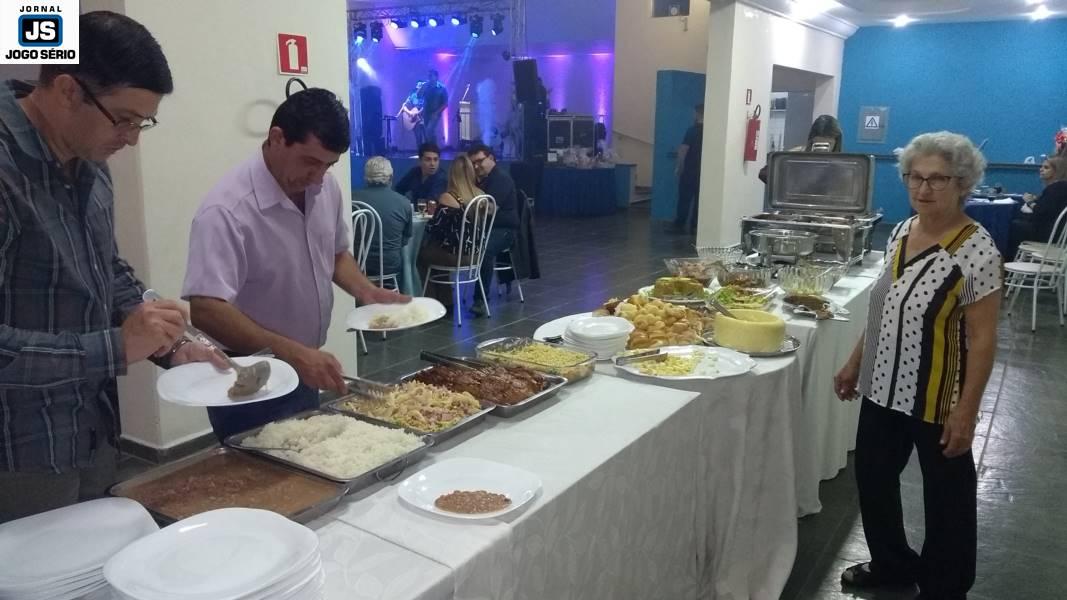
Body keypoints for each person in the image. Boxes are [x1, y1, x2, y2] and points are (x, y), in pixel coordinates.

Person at [0, 11, 222, 523]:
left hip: (93, 430)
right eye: (123, 119)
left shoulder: (91, 165)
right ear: (67, 90)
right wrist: (116, 347)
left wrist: (170, 341)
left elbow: (108, 270)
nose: (132, 138)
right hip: (18, 452)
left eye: (143, 122)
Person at [182, 88, 408, 442]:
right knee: (259, 466)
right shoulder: (227, 210)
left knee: (306, 457)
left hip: (304, 360)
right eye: (310, 162)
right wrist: (289, 351)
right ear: (277, 138)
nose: (318, 177)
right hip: (249, 372)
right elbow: (207, 309)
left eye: (328, 165)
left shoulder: (325, 189)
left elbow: (335, 254)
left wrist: (364, 290)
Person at [834, 132, 1001, 600]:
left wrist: (967, 411)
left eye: (938, 179)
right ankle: (892, 564)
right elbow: (884, 309)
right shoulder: (902, 231)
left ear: (962, 184)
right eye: (915, 177)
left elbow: (983, 338)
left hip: (938, 395)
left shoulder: (977, 249)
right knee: (873, 480)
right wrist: (854, 362)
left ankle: (946, 587)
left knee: (947, 498)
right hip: (881, 386)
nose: (923, 188)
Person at [418, 155, 485, 309]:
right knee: (439, 252)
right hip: (477, 255)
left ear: (452, 174)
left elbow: (435, 229)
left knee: (422, 256)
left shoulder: (448, 197)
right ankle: (445, 300)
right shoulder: (481, 195)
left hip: (457, 256)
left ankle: (432, 303)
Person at [468, 144, 519, 316]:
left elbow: (489, 210)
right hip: (485, 229)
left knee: (484, 250)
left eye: (479, 161)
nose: (476, 166)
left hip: (504, 230)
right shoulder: (481, 179)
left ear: (491, 158)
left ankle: (480, 299)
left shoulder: (501, 178)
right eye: (473, 163)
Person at [354, 156, 412, 279]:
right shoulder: (404, 203)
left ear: (366, 177)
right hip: (389, 266)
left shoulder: (351, 199)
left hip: (355, 264)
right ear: (391, 177)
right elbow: (404, 240)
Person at [758, 114, 843, 183]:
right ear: (811, 141)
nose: (822, 149)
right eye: (818, 143)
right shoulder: (796, 155)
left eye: (828, 144)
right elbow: (764, 174)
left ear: (836, 143)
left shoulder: (843, 164)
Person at [1011, 156, 1067, 251]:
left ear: (1057, 171)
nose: (1041, 169)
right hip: (1058, 232)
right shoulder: (1061, 187)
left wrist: (1029, 201)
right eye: (1041, 167)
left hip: (1049, 233)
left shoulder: (1055, 188)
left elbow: (1040, 212)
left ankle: (1008, 256)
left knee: (1013, 224)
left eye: (1046, 168)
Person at [673, 103, 704, 234]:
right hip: (703, 172)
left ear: (697, 114)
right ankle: (695, 226)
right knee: (699, 200)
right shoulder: (710, 131)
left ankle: (680, 224)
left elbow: (683, 150)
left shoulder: (692, 131)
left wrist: (679, 167)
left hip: (689, 170)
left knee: (684, 199)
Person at [417, 69, 448, 146]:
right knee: (429, 133)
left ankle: (433, 149)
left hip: (435, 113)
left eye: (431, 75)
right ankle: (432, 148)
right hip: (426, 113)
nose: (429, 77)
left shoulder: (442, 88)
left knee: (429, 130)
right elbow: (418, 96)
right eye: (428, 75)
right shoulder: (426, 86)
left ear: (436, 77)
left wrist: (437, 112)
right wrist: (422, 88)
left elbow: (445, 104)